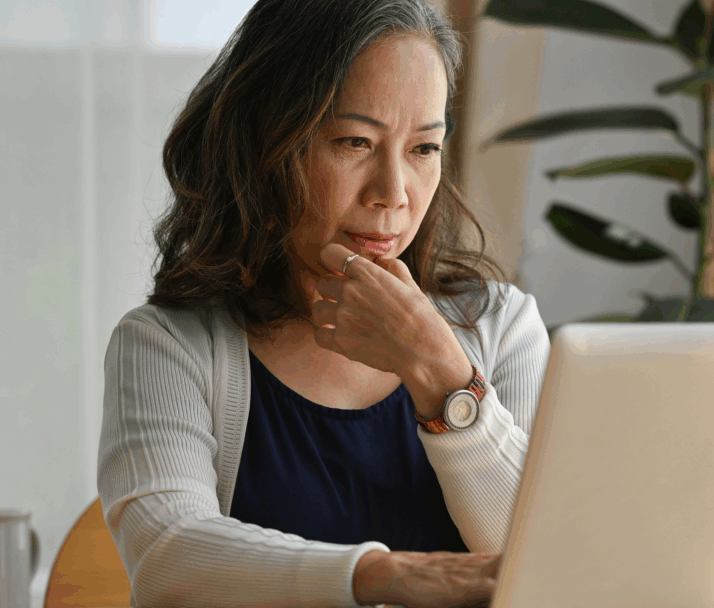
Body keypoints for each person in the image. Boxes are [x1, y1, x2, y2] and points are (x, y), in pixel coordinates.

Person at [96, 1, 549, 606]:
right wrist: (386, 577)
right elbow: (167, 556)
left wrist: (442, 376)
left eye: (424, 149)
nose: (393, 194)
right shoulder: (169, 344)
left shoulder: (503, 327)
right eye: (354, 141)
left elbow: (544, 563)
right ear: (267, 146)